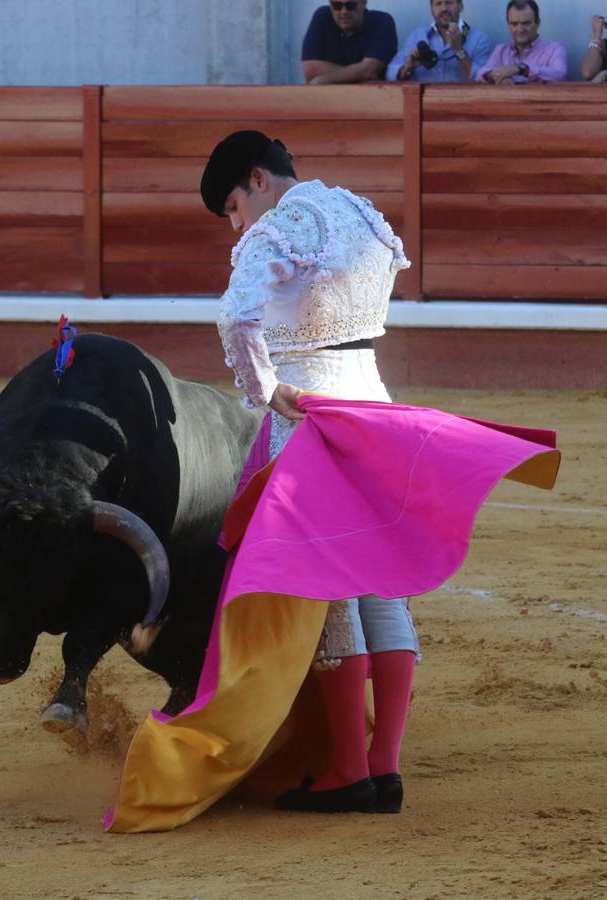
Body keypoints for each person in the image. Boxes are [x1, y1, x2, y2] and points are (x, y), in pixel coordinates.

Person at [201, 130, 416, 813]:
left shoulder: (277, 228)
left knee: (332, 592)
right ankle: (386, 767)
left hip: (311, 418)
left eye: (234, 207)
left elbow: (237, 319)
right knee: (381, 583)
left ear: (258, 180)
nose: (238, 225)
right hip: (376, 408)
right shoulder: (359, 212)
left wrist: (267, 391)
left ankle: (349, 770)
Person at [388, 0, 493, 83]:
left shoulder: (479, 39)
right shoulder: (417, 36)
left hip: (462, 107)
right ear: (432, 10)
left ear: (461, 6)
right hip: (422, 107)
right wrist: (406, 69)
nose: (444, 8)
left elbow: (484, 80)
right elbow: (389, 72)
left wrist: (458, 50)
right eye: (438, 3)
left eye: (449, 2)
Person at [301, 0, 399, 84]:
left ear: (364, 2)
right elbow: (310, 69)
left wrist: (322, 79)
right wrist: (358, 74)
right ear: (330, 5)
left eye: (350, 5)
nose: (344, 12)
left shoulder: (382, 22)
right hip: (329, 99)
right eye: (337, 5)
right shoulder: (322, 17)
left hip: (372, 100)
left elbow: (369, 71)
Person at [474, 0, 568, 85]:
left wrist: (521, 69)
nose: (520, 29)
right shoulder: (501, 50)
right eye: (514, 24)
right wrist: (497, 77)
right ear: (508, 24)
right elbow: (480, 74)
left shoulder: (554, 49)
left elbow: (560, 75)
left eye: (526, 23)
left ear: (538, 23)